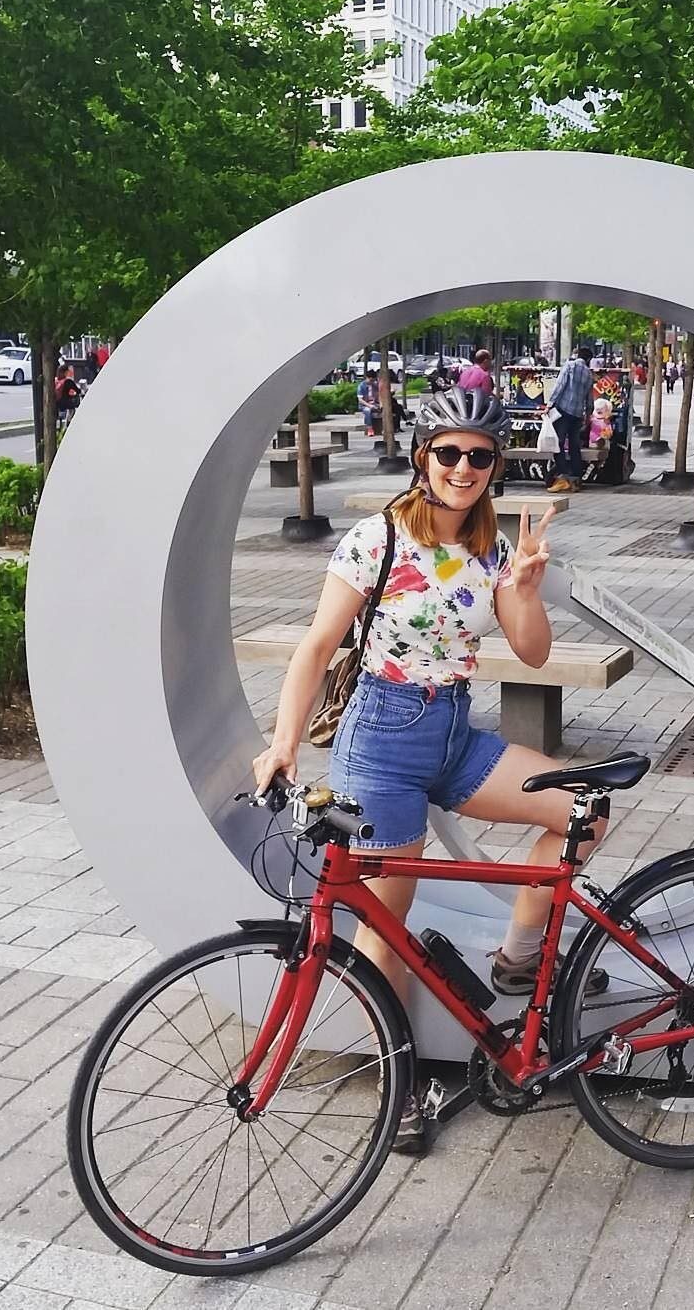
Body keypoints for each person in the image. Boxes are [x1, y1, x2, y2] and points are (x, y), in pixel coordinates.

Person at [251, 387, 609, 1152]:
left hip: (453, 731)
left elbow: (535, 652)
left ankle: (517, 961)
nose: (464, 468)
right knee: (387, 923)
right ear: (423, 457)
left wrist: (523, 590)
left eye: (480, 456)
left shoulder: (495, 550)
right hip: (380, 740)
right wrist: (283, 744)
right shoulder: (375, 539)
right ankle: (401, 1085)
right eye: (449, 453)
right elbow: (317, 647)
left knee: (583, 810)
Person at [546, 345, 593, 494]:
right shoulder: (589, 374)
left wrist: (550, 404)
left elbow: (559, 386)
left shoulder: (569, 366)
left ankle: (562, 477)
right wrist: (588, 414)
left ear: (577, 354)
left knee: (558, 443)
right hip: (577, 414)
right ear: (588, 359)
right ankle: (576, 477)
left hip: (563, 411)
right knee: (574, 446)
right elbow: (589, 398)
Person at [357, 367, 379, 436]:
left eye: (373, 380)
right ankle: (369, 428)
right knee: (368, 411)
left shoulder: (375, 385)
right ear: (367, 377)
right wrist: (369, 405)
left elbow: (379, 395)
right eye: (371, 380)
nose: (372, 382)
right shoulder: (361, 386)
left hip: (374, 403)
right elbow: (360, 400)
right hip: (365, 405)